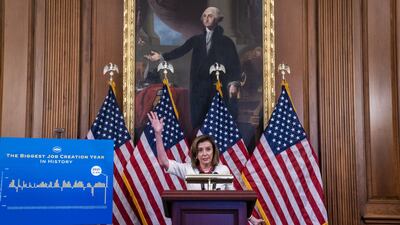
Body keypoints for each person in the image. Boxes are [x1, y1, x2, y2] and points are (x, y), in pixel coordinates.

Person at [147, 111, 265, 225]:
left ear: (214, 152)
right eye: (200, 150)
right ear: (196, 154)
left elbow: (234, 199)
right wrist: (158, 133)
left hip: (220, 219)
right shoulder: (188, 169)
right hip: (194, 219)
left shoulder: (223, 170)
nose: (204, 153)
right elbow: (163, 162)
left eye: (208, 149)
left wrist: (252, 219)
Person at [145, 7, 241, 130]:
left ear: (217, 19)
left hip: (218, 87)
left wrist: (233, 83)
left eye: (210, 16)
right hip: (199, 88)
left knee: (217, 123)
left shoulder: (227, 42)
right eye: (204, 16)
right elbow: (181, 50)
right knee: (200, 122)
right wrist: (161, 56)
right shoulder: (197, 40)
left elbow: (234, 64)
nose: (206, 18)